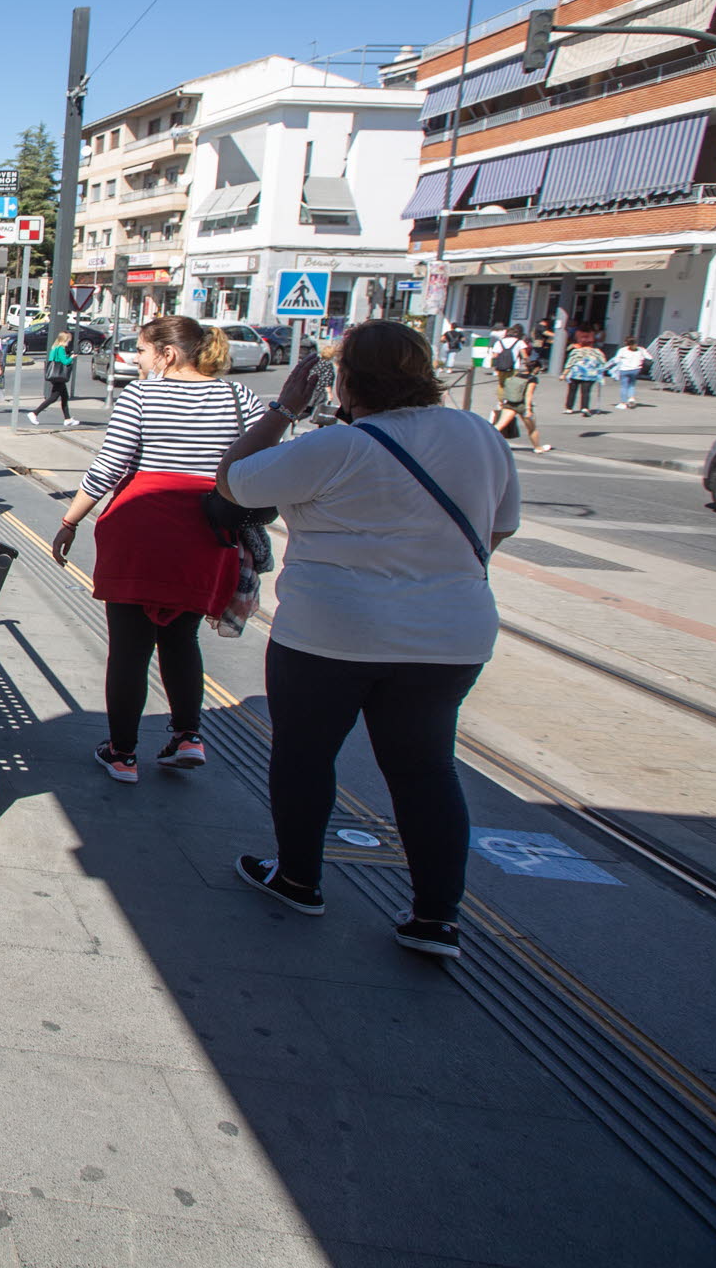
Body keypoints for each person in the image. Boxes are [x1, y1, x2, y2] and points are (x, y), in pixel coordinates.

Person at [217, 321, 520, 960]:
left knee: (304, 754)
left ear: (348, 379)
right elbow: (500, 528)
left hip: (333, 632)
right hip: (449, 637)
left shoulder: (336, 446)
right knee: (426, 769)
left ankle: (299, 878)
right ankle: (436, 917)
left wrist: (282, 407)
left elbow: (233, 481)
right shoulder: (480, 435)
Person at [51, 316, 263, 781]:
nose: (139, 360)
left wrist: (70, 521)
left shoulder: (142, 396)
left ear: (167, 354)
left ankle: (122, 753)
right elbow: (263, 460)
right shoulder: (237, 397)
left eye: (144, 351)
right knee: (182, 638)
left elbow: (108, 467)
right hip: (205, 536)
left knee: (129, 649)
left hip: (141, 531)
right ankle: (188, 735)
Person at [491, 337, 550, 453]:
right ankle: (537, 447)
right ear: (536, 368)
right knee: (531, 428)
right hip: (522, 405)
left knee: (499, 426)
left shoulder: (515, 376)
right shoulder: (532, 379)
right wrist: (528, 409)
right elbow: (528, 394)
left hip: (510, 403)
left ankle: (486, 442)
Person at [28, 330, 78, 426]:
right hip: (59, 376)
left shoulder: (55, 348)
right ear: (65, 340)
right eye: (69, 340)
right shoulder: (60, 349)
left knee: (64, 397)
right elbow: (65, 362)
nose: (69, 342)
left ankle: (67, 418)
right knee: (53, 397)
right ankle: (34, 413)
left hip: (56, 376)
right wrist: (71, 357)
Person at [560, 329, 606, 417]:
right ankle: (584, 407)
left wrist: (564, 374)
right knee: (586, 391)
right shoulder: (597, 352)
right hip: (590, 374)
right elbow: (603, 363)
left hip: (575, 374)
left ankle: (569, 408)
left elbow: (570, 363)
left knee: (572, 391)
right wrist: (600, 373)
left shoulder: (576, 351)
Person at [609, 337, 652, 409]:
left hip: (624, 369)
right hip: (636, 369)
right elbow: (649, 357)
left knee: (624, 386)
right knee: (632, 385)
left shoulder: (622, 350)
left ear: (626, 343)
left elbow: (616, 360)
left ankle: (623, 403)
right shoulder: (641, 349)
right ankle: (631, 398)